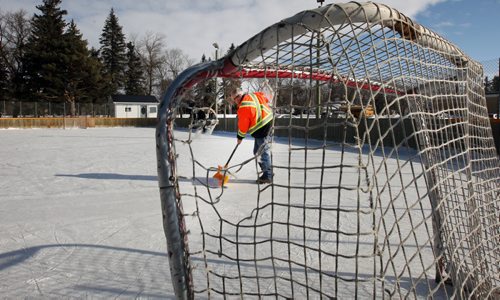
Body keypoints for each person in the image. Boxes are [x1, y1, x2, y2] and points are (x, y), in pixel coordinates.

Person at [228, 83, 274, 184]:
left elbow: (243, 125)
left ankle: (268, 175)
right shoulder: (254, 94)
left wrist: (240, 137)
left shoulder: (244, 106)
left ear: (239, 96)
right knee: (257, 152)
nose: (235, 102)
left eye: (235, 99)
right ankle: (268, 171)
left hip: (261, 127)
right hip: (268, 122)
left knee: (262, 152)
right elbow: (266, 99)